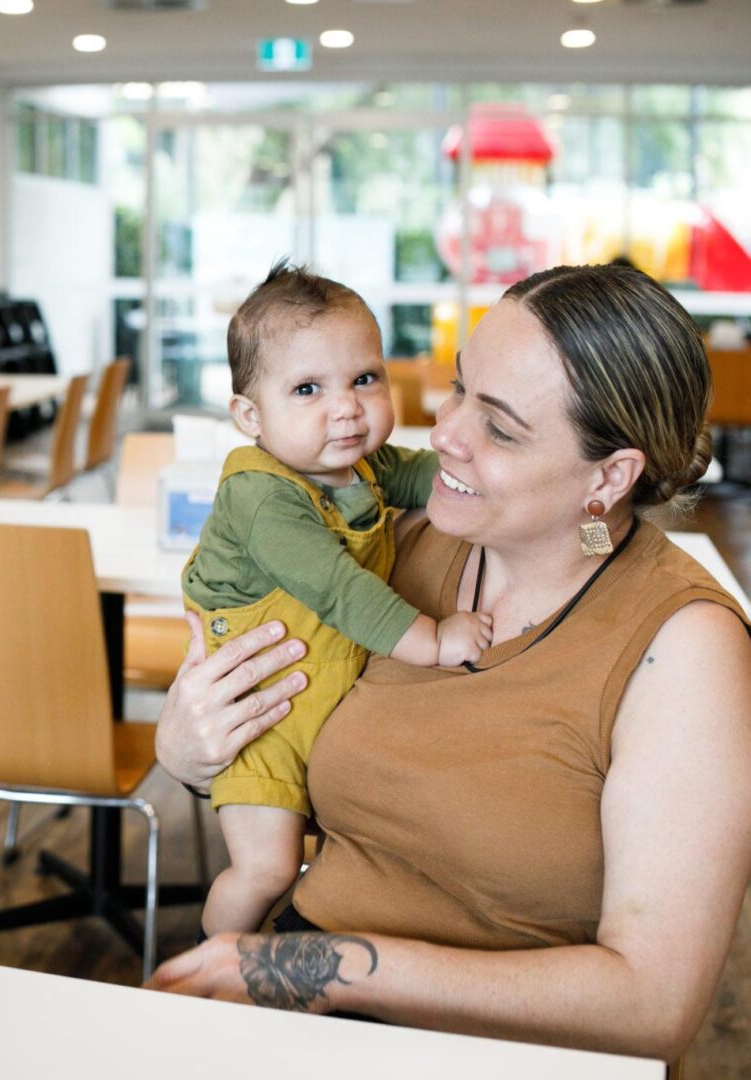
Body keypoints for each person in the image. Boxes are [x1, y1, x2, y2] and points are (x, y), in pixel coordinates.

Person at [148, 263, 751, 1062]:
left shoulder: (682, 648)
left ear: (607, 477)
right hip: (295, 1003)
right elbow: (269, 734)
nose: (442, 434)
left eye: (497, 427)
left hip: (488, 1050)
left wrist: (328, 972)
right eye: (458, 389)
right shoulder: (389, 546)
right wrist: (187, 753)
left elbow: (651, 1004)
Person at [183, 263, 492, 937]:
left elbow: (430, 477)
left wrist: (492, 468)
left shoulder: (360, 466)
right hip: (258, 726)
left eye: (363, 378)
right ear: (248, 415)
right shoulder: (260, 494)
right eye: (306, 389)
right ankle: (212, 970)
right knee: (265, 872)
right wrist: (434, 641)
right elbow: (337, 589)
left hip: (316, 711)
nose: (346, 406)